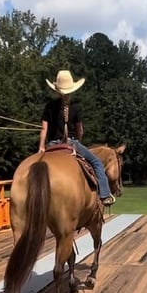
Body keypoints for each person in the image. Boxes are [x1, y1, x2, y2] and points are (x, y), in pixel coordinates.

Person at [38, 69, 116, 206]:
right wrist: (78, 140)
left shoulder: (49, 106)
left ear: (57, 89)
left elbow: (44, 129)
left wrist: (41, 147)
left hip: (52, 145)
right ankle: (104, 195)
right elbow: (80, 130)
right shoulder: (76, 107)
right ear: (72, 89)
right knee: (97, 162)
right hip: (71, 143)